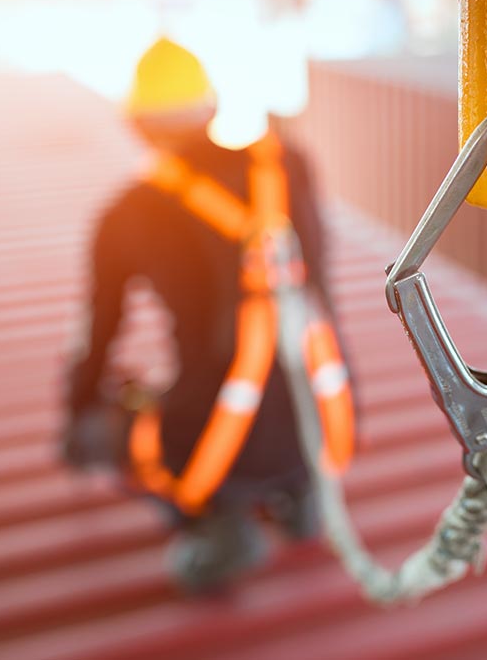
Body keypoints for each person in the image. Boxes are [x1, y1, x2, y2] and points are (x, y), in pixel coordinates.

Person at [61, 36, 355, 593]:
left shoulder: (126, 214)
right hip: (326, 414)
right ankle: (298, 497)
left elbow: (99, 334)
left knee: (111, 424)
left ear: (136, 126)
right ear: (213, 109)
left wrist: (77, 416)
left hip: (212, 442)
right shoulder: (289, 163)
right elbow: (317, 284)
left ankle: (218, 521)